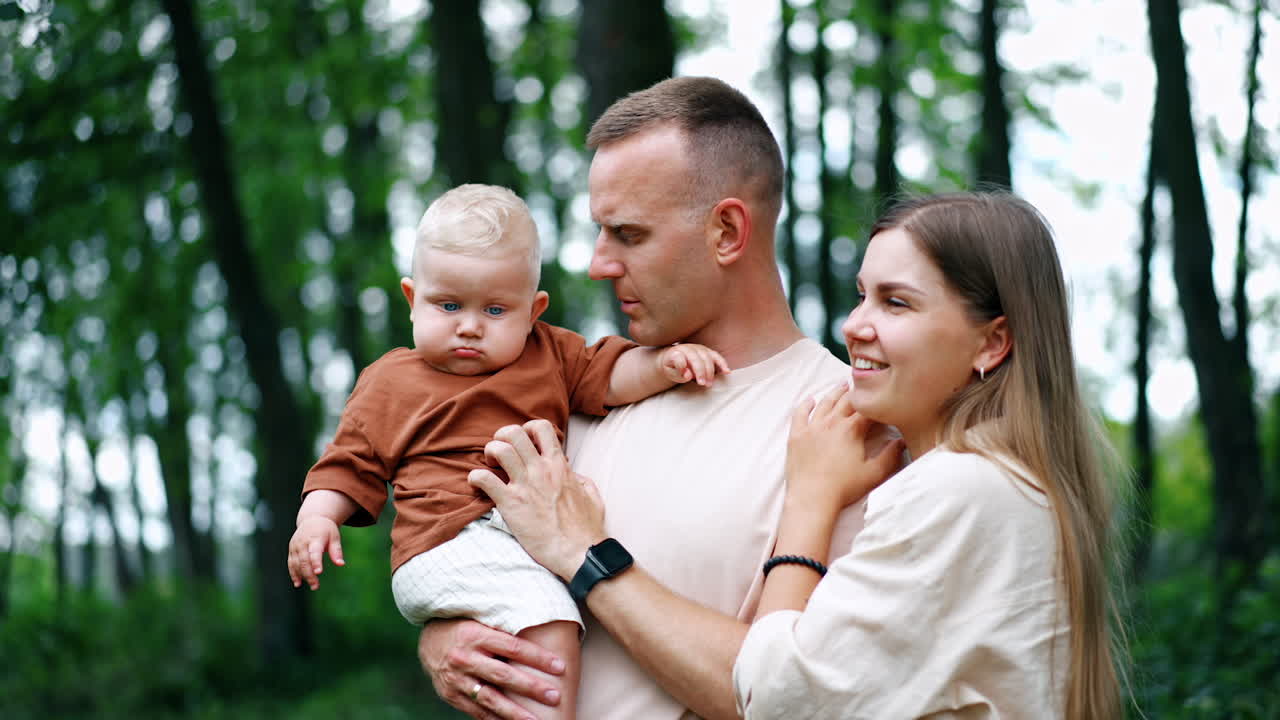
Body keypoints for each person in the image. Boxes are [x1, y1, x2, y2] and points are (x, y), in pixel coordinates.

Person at [471, 191, 1126, 719]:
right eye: (862, 294)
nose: (855, 325)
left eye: (896, 302)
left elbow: (778, 697)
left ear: (991, 344)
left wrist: (584, 550)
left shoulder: (963, 490)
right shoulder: (993, 483)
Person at [417, 77, 865, 720]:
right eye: (600, 231)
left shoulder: (847, 427)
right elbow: (473, 566)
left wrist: (585, 554)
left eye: (628, 234)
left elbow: (800, 694)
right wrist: (445, 639)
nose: (599, 263)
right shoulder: (570, 388)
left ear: (726, 231)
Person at [285, 183, 728, 720]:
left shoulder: (551, 354)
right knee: (548, 618)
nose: (469, 326)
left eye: (495, 309)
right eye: (448, 305)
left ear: (533, 310)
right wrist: (316, 520)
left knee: (532, 628)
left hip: (516, 539)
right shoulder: (389, 381)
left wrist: (663, 365)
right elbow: (348, 464)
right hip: (447, 536)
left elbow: (611, 374)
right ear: (411, 299)